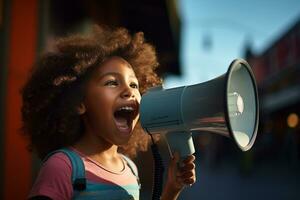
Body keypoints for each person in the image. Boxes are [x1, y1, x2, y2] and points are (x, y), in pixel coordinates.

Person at [21, 25, 196, 200]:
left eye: (134, 85)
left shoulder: (129, 168)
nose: (129, 91)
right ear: (79, 102)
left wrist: (172, 188)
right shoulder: (62, 167)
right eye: (112, 82)